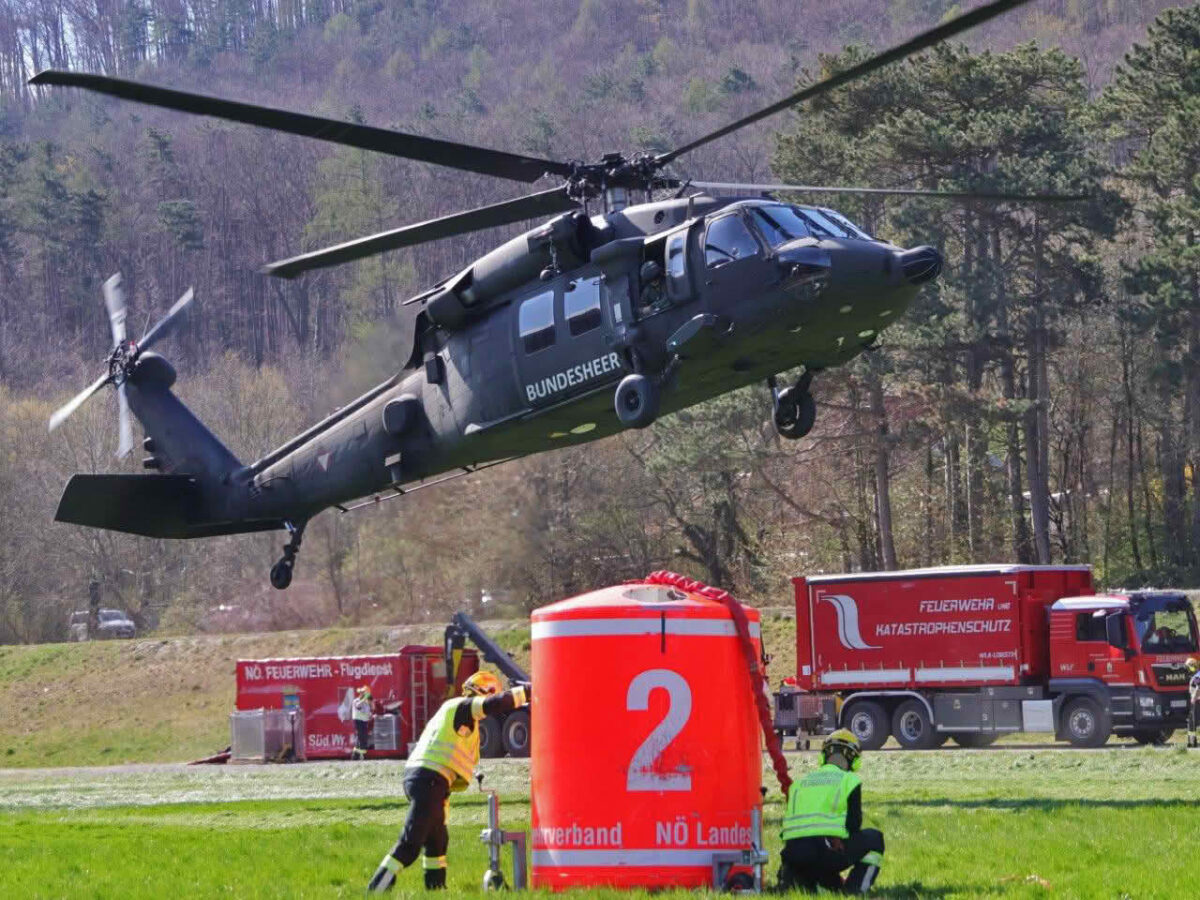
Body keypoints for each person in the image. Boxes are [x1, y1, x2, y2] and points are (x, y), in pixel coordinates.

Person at [367, 671, 529, 892]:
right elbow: (495, 703)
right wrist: (528, 691)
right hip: (429, 779)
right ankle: (376, 890)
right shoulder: (464, 706)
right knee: (411, 842)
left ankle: (436, 890)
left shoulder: (457, 711)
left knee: (437, 841)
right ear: (484, 692)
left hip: (432, 781)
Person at [778, 728, 885, 895]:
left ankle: (815, 884)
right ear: (855, 761)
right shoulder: (849, 781)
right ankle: (854, 891)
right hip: (826, 854)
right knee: (875, 838)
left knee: (826, 884)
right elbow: (853, 825)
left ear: (823, 756)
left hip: (793, 857)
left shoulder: (798, 784)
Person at [351, 686, 373, 760]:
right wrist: (364, 699)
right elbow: (358, 706)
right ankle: (359, 754)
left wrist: (370, 715)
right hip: (358, 721)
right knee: (360, 736)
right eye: (363, 693)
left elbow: (368, 711)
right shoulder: (356, 701)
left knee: (363, 736)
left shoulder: (366, 702)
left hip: (364, 721)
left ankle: (357, 754)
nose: (363, 694)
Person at [1187, 658, 1200, 749]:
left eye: (1188, 668)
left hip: (1197, 702)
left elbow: (1198, 688)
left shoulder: (1197, 677)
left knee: (1193, 722)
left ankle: (1192, 742)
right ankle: (1192, 741)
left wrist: (1194, 698)